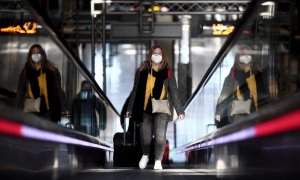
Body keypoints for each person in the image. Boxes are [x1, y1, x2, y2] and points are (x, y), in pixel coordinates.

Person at [126, 44, 185, 170]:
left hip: (162, 107)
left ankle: (158, 159)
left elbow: (174, 92)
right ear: (150, 55)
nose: (157, 55)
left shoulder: (167, 72)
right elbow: (135, 91)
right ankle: (146, 155)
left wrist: (180, 111)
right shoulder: (142, 70)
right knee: (145, 137)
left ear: (162, 56)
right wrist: (130, 109)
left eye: (159, 53)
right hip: (145, 108)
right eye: (154, 53)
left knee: (159, 137)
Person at [215, 45, 270, 128]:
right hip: (239, 118)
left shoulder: (257, 74)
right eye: (243, 55)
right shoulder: (233, 75)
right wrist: (219, 112)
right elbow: (224, 95)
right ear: (238, 57)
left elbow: (265, 94)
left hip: (257, 115)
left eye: (248, 55)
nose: (246, 57)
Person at [15, 44, 63, 123]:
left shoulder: (51, 70)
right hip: (31, 110)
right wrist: (17, 110)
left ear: (42, 54)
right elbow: (20, 92)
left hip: (48, 110)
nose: (36, 55)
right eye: (34, 53)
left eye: (38, 53)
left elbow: (58, 90)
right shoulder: (26, 71)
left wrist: (62, 108)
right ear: (30, 56)